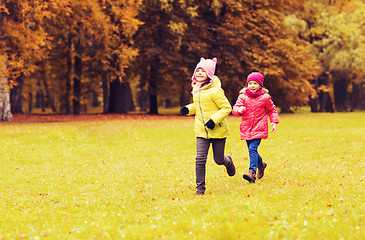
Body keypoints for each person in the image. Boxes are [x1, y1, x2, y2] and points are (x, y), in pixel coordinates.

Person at [180, 57, 235, 195]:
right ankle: (200, 188)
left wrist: (213, 120)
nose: (199, 72)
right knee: (200, 159)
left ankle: (228, 162)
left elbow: (226, 108)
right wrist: (188, 109)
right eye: (197, 70)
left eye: (202, 70)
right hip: (201, 130)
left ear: (209, 73)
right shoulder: (196, 88)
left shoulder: (215, 91)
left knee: (218, 159)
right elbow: (200, 107)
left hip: (217, 130)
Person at [232, 72, 279, 183]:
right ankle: (261, 164)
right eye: (250, 83)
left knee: (252, 149)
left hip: (259, 127)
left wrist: (274, 121)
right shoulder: (242, 96)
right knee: (251, 150)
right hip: (246, 128)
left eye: (255, 83)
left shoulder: (265, 97)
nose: (252, 86)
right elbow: (235, 108)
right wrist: (239, 110)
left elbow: (272, 110)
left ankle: (251, 173)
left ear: (260, 85)